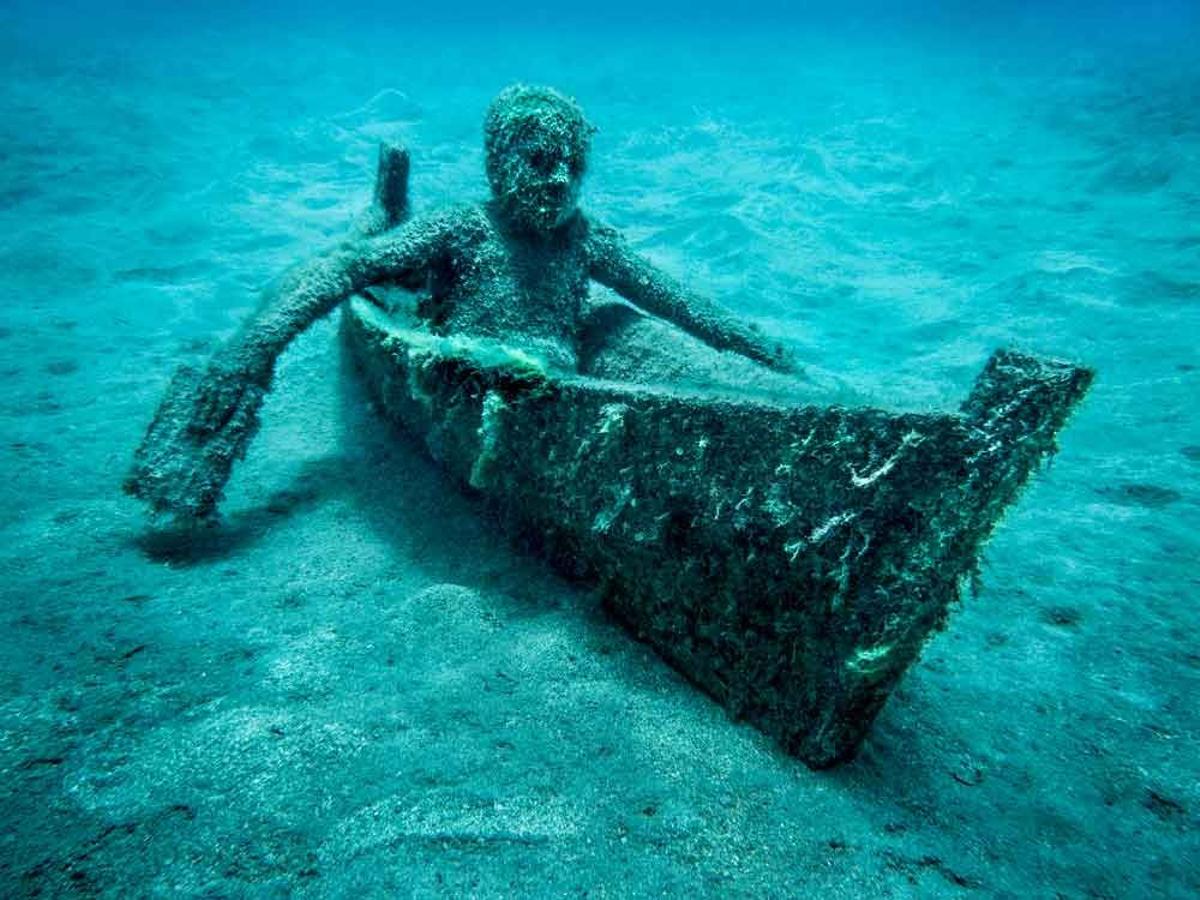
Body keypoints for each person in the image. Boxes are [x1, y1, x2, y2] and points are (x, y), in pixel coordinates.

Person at [126, 84, 796, 520]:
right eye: (539, 160)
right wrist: (247, 358)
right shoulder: (462, 227)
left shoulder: (586, 241)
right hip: (473, 373)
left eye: (574, 165)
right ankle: (388, 205)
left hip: (546, 382)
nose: (560, 178)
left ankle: (387, 208)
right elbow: (346, 269)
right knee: (390, 261)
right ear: (499, 163)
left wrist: (769, 359)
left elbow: (682, 304)